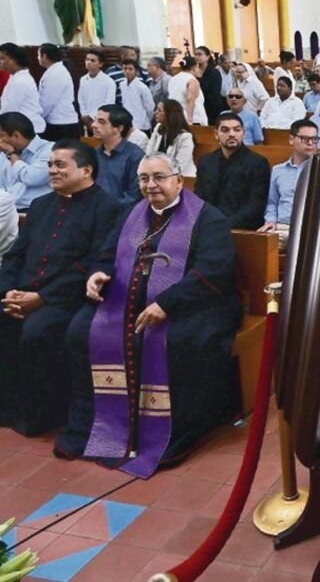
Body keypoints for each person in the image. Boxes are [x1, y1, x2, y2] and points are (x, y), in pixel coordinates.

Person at [56, 152, 242, 473]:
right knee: (80, 331)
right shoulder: (132, 214)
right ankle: (95, 428)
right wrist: (98, 274)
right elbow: (107, 253)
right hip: (131, 297)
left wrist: (166, 303)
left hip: (197, 303)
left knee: (171, 342)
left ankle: (166, 433)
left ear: (178, 181)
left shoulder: (208, 218)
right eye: (144, 178)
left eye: (159, 177)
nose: (150, 185)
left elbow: (213, 271)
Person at [0, 140, 121, 436]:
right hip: (23, 292)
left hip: (68, 297)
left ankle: (42, 415)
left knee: (37, 332)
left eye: (60, 165)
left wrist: (41, 298)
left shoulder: (108, 208)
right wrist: (8, 291)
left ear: (86, 170)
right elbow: (16, 255)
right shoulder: (42, 205)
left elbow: (93, 264)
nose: (52, 171)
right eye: (50, 165)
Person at [194, 112, 270, 230]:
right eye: (225, 130)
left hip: (243, 228)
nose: (231, 134)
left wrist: (225, 224)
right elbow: (199, 197)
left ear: (243, 133)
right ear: (216, 134)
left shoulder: (258, 163)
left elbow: (256, 205)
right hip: (209, 225)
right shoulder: (206, 161)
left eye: (236, 130)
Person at [260, 119, 318, 247]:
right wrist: (270, 221)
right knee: (258, 247)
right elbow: (272, 202)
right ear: (291, 139)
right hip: (283, 227)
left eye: (314, 139)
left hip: (310, 229)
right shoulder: (278, 170)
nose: (310, 143)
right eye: (305, 138)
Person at [0, 112, 54, 212]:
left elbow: (31, 178)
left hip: (37, 211)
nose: (0, 141)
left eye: (1, 136)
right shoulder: (3, 153)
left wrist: (11, 155)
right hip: (7, 210)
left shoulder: (50, 151)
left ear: (16, 135)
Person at [92, 104, 145, 205]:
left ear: (119, 128)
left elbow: (134, 197)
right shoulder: (94, 153)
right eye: (95, 120)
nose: (93, 125)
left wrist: (107, 210)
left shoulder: (135, 156)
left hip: (122, 215)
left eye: (101, 121)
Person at [36, 44, 80, 141]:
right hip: (57, 122)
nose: (37, 58)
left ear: (44, 56)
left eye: (38, 55)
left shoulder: (56, 73)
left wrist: (39, 116)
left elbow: (48, 101)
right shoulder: (53, 71)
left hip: (61, 123)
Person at [146, 100, 196, 177]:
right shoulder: (158, 128)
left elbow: (179, 166)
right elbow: (149, 152)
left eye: (159, 110)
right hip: (158, 175)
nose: (155, 113)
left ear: (169, 114)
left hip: (182, 178)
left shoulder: (185, 137)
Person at [78, 50, 116, 132]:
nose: (88, 62)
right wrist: (85, 116)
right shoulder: (83, 80)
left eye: (92, 60)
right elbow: (80, 99)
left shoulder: (108, 81)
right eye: (87, 59)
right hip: (85, 120)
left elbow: (109, 102)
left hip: (102, 119)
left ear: (100, 64)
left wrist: (93, 117)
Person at [168, 56, 207, 126]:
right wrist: (190, 121)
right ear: (194, 67)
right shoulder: (192, 81)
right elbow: (190, 99)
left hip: (176, 119)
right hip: (194, 120)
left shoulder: (172, 80)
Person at [118, 59, 155, 133]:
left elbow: (150, 107)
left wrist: (145, 120)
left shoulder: (142, 87)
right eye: (125, 69)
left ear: (137, 72)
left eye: (130, 69)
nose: (127, 71)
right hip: (128, 123)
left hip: (141, 125)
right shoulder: (122, 85)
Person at [193, 46, 225, 121]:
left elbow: (213, 92)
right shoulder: (193, 71)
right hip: (197, 107)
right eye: (195, 54)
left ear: (207, 57)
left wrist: (199, 77)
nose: (196, 57)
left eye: (200, 54)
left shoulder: (214, 72)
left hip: (211, 108)